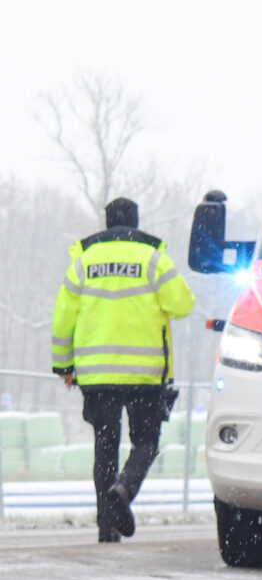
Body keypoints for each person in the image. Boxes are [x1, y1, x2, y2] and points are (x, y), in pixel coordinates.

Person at [50, 198, 193, 542]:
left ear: (107, 221)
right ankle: (124, 490)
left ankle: (106, 524)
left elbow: (62, 319)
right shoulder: (154, 260)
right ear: (135, 221)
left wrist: (64, 366)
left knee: (105, 445)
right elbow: (183, 304)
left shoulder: (83, 263)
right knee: (145, 442)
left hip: (96, 374)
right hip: (144, 373)